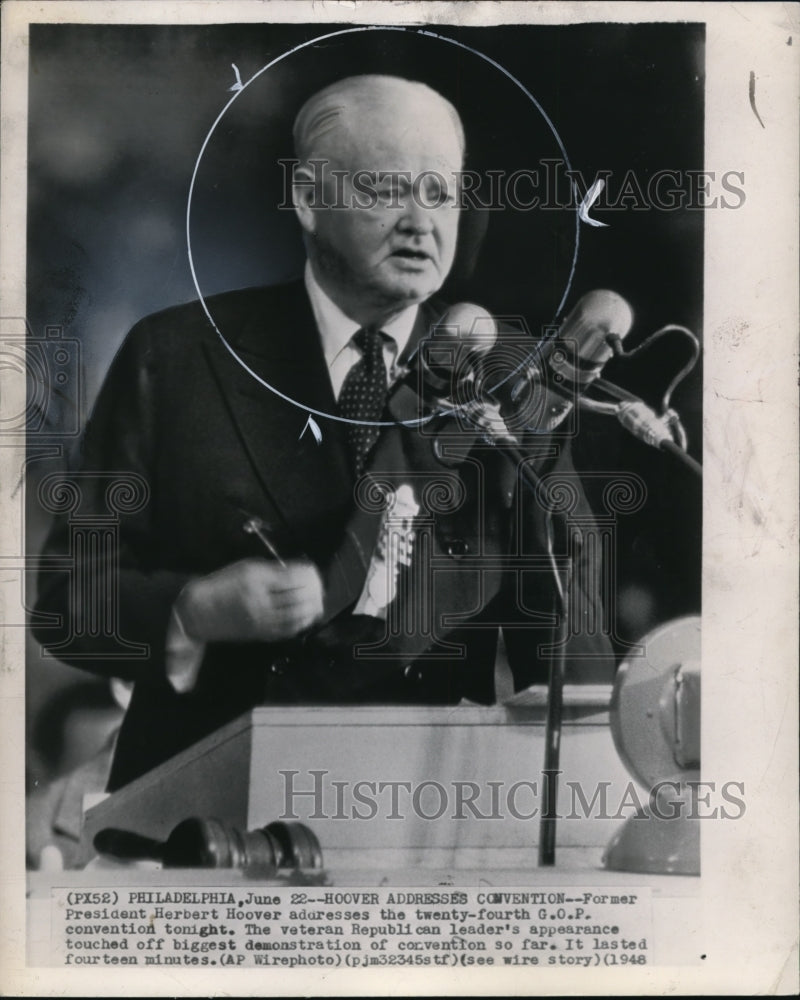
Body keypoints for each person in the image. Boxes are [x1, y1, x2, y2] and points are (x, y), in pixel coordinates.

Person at [33, 75, 614, 791]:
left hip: (414, 817)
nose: (419, 222)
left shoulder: (509, 384)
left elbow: (566, 652)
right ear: (309, 199)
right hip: (201, 820)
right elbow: (67, 603)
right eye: (384, 189)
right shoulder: (178, 355)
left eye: (439, 194)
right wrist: (193, 609)